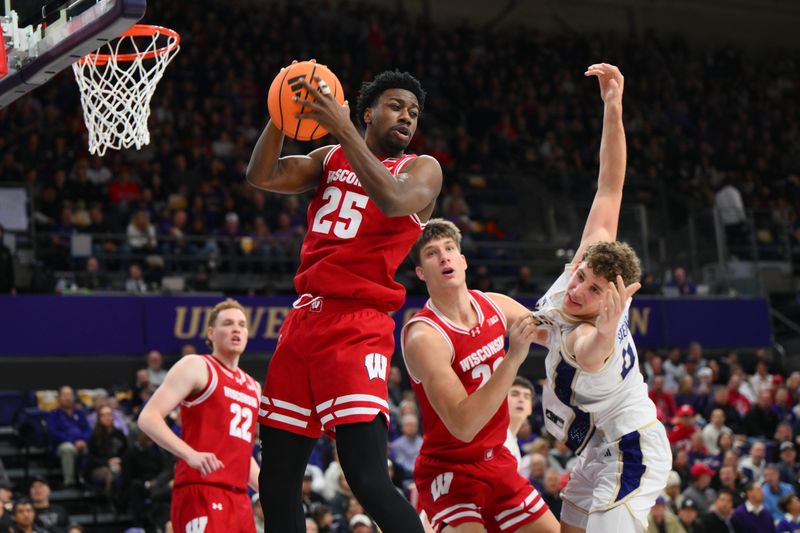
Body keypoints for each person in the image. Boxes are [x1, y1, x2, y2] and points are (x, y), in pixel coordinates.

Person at [246, 67, 442, 533]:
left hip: (358, 325)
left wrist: (344, 129)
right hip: (302, 324)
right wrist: (282, 115)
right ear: (368, 112)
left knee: (368, 478)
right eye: (396, 106)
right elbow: (262, 175)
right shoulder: (328, 157)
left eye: (414, 112)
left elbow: (396, 201)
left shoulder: (420, 168)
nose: (407, 117)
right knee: (275, 484)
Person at [531, 64, 671, 533]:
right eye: (582, 277)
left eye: (592, 290)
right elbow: (610, 184)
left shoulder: (593, 334)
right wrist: (613, 107)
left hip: (631, 447)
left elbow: (591, 352)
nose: (577, 290)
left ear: (610, 299)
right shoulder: (582, 268)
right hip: (598, 449)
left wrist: (607, 330)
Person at [401, 218, 559, 532]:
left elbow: (558, 335)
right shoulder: (425, 336)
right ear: (421, 272)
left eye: (449, 248)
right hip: (449, 471)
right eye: (432, 253)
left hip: (496, 460)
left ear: (463, 260)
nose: (444, 257)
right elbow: (464, 426)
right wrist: (512, 359)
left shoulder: (495, 305)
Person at [138, 299, 261, 533]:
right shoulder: (197, 365)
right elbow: (149, 417)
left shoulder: (253, 387)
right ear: (211, 333)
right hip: (201, 488)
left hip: (239, 498)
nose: (236, 329)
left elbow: (241, 451)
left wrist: (268, 489)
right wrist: (189, 454)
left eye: (241, 324)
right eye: (228, 323)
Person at [46, 386, 91, 487]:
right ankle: (69, 481)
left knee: (91, 447)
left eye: (70, 395)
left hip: (81, 443)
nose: (68, 398)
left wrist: (83, 440)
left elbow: (87, 429)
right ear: (59, 398)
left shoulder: (80, 413)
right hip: (61, 445)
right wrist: (73, 441)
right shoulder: (53, 414)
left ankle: (85, 480)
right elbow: (53, 433)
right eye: (65, 395)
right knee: (68, 448)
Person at [506, 376, 536, 471]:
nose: (521, 400)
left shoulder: (512, 441)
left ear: (530, 408)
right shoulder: (491, 436)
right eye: (515, 394)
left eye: (526, 396)